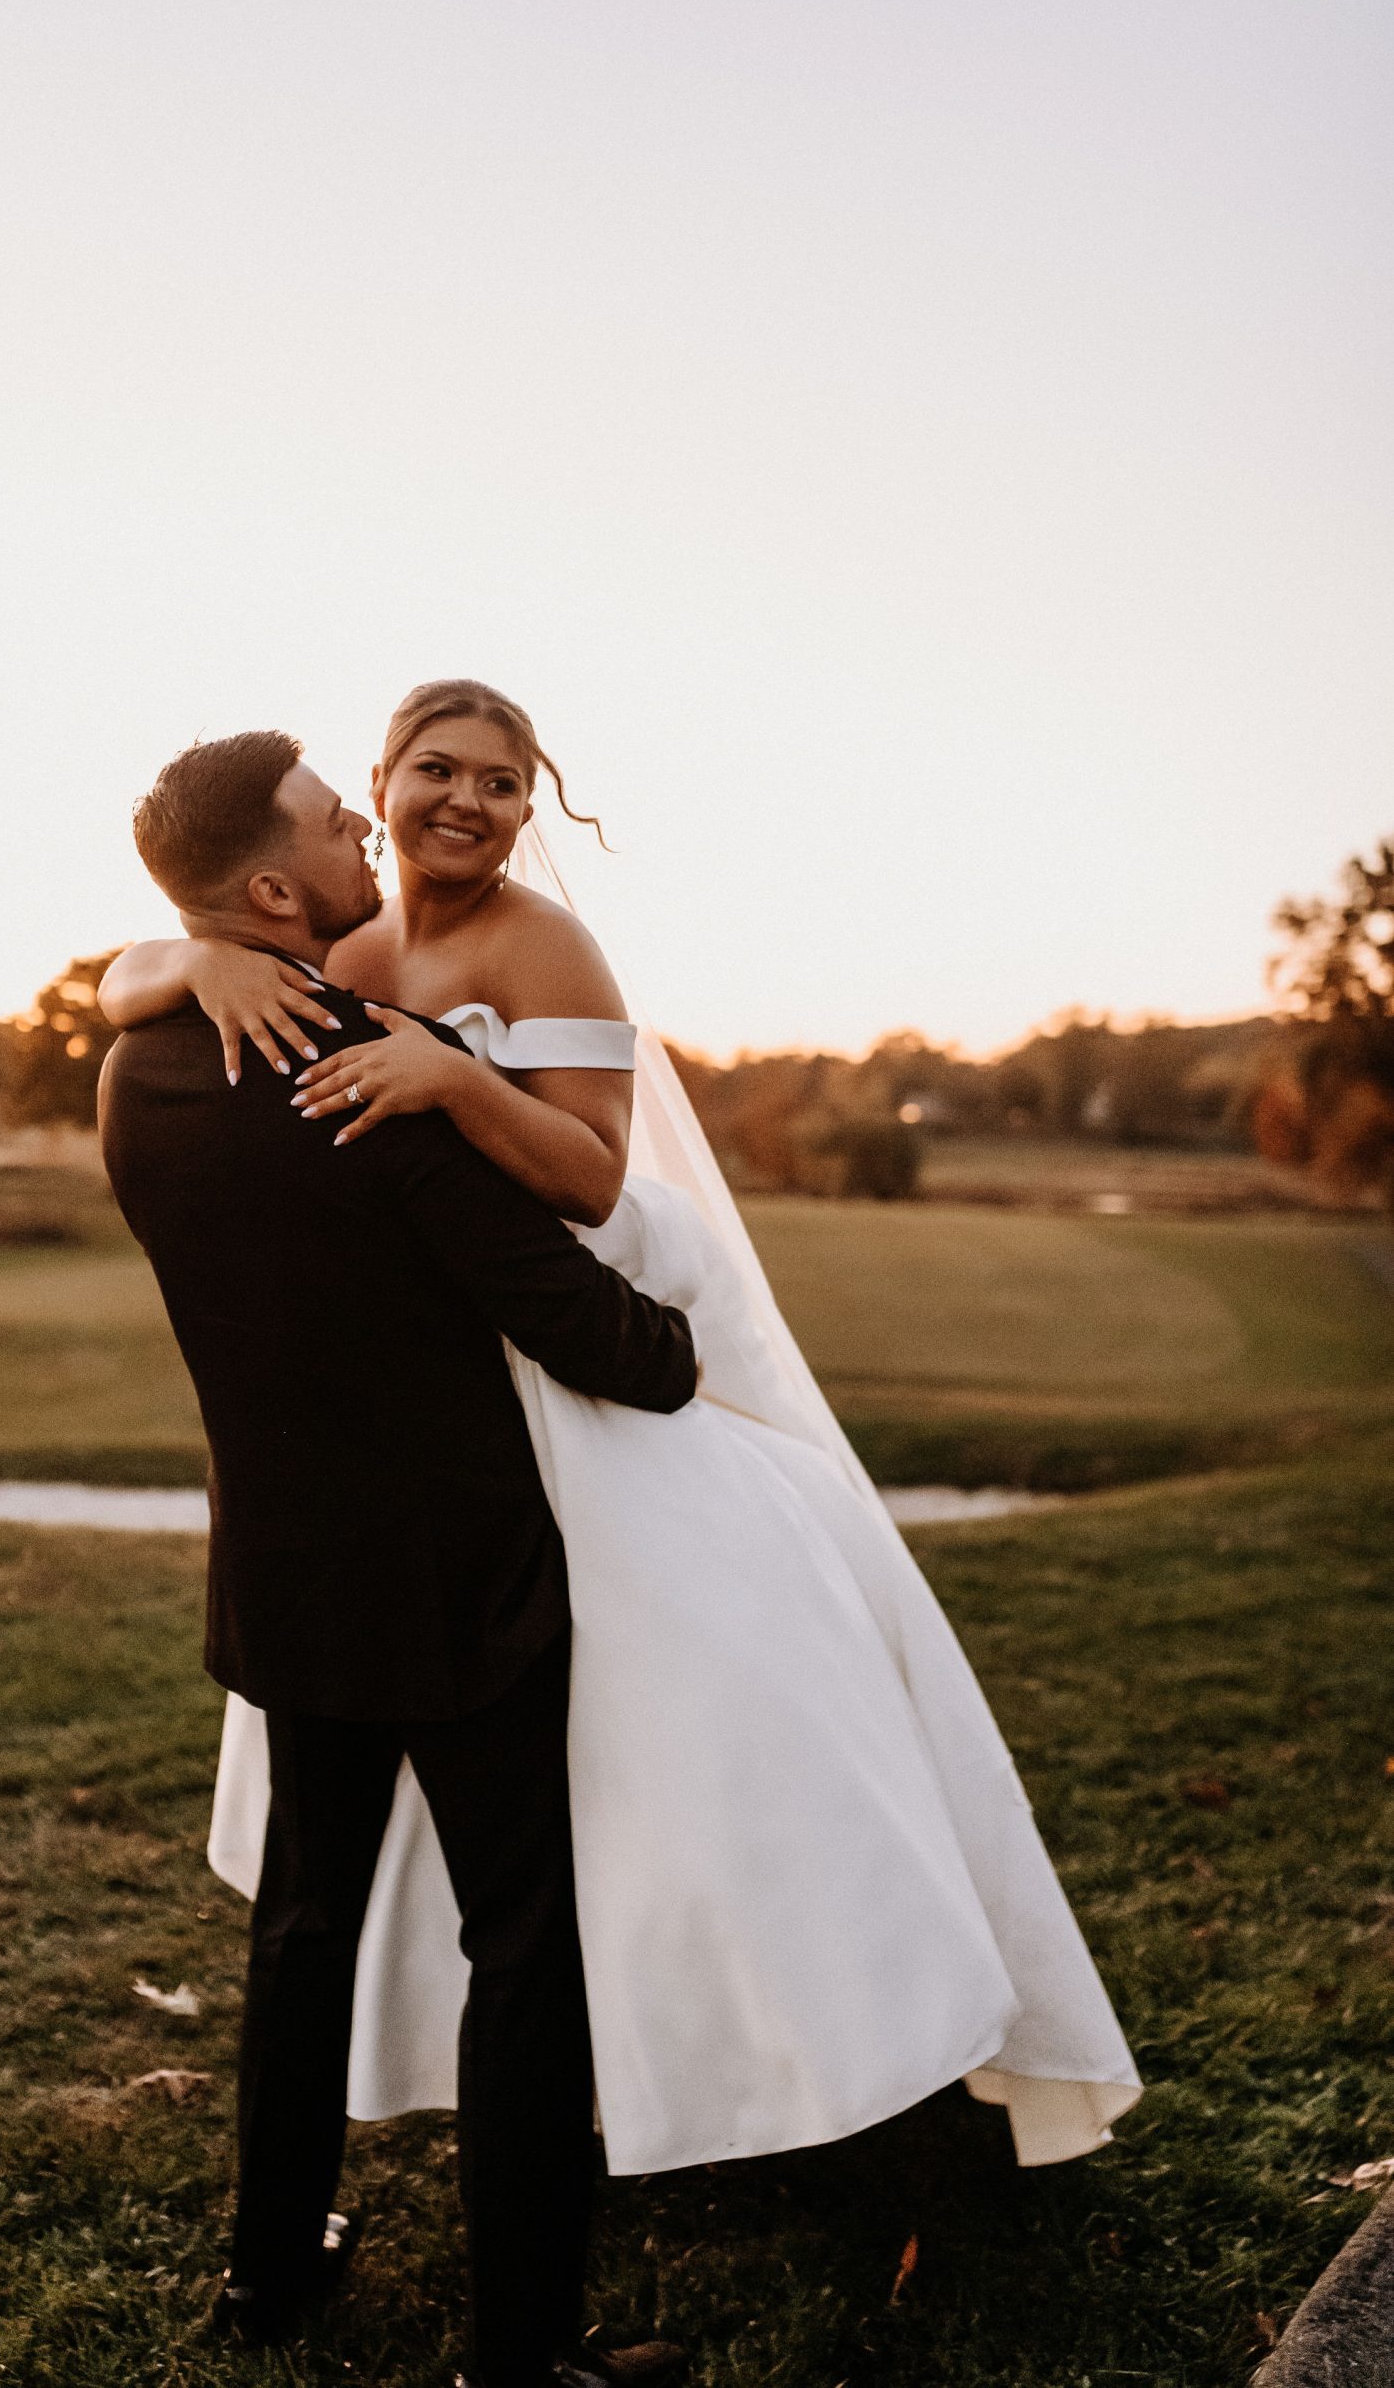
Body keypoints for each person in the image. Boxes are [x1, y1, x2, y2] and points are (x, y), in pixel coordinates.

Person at [104, 683, 1142, 2184]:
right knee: (479, 1842)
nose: (467, 802)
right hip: (436, 1432)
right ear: (379, 795)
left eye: (505, 783)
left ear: (533, 808)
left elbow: (593, 1181)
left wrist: (456, 1077)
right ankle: (551, 2127)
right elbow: (146, 961)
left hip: (543, 1362)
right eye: (428, 776)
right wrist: (185, 957)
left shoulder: (545, 947)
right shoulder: (333, 953)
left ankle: (769, 2055)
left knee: (689, 1751)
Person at [97, 726, 699, 2388]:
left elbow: (132, 978)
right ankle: (522, 2357)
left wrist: (181, 954)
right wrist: (680, 1347)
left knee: (305, 1922)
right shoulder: (367, 1067)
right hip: (460, 1588)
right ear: (277, 888)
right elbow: (583, 1325)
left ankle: (270, 2279)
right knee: (522, 1945)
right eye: (336, 821)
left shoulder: (136, 1065)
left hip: (285, 1570)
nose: (372, 831)